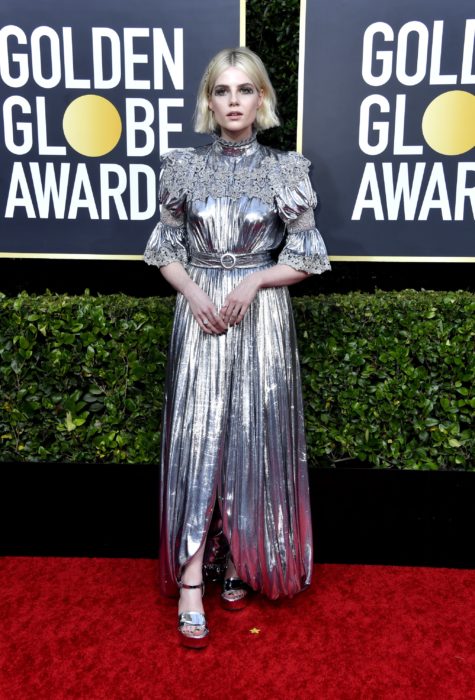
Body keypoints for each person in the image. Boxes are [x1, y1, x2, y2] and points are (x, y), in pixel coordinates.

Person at [144, 47, 331, 649]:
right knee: (199, 438)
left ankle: (242, 558)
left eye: (244, 90)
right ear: (208, 100)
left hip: (262, 316)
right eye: (222, 91)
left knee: (250, 435)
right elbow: (164, 250)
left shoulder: (286, 170)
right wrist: (195, 293)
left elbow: (306, 258)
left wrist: (254, 279)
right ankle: (193, 576)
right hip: (198, 312)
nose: (232, 101)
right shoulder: (181, 167)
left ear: (261, 100)